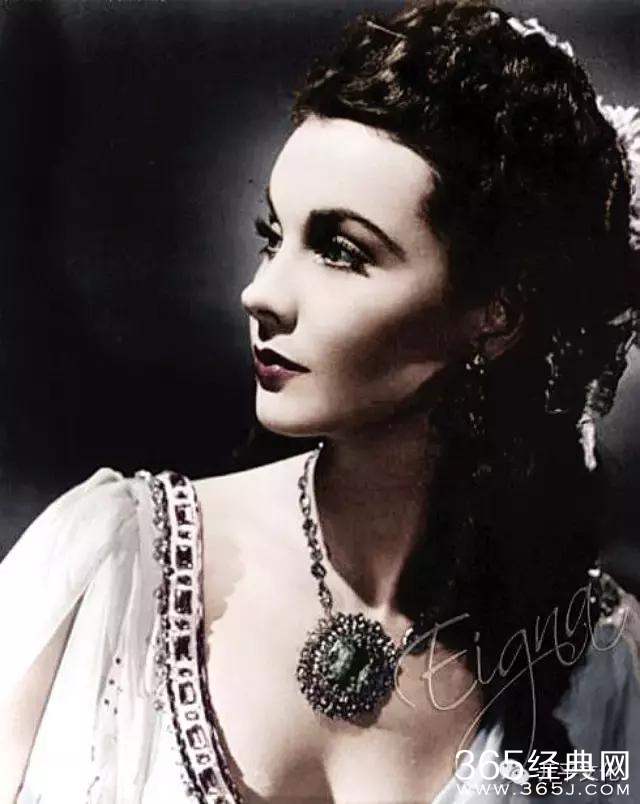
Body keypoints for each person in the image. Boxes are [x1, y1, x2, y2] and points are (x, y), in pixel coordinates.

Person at [1, 2, 640, 802]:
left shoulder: (600, 664)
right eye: (274, 237)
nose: (260, 293)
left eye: (340, 251)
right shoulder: (113, 565)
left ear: (497, 316)